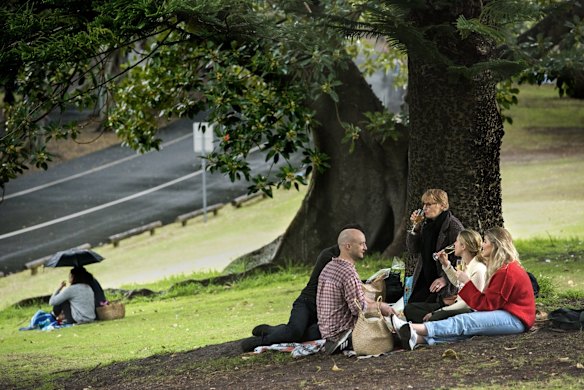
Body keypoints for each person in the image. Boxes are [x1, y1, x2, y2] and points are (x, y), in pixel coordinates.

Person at [392, 227, 536, 350]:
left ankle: (412, 328)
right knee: (470, 330)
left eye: (485, 242)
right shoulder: (503, 268)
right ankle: (417, 339)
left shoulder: (506, 271)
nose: (482, 246)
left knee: (466, 321)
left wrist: (467, 283)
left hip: (517, 319)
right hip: (511, 315)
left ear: (495, 245)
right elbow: (488, 303)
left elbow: (486, 306)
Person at [240, 224, 364, 352]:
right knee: (295, 332)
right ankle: (261, 341)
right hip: (307, 302)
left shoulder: (348, 262)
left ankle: (273, 330)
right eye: (360, 243)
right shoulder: (330, 257)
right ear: (348, 243)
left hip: (325, 312)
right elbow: (343, 284)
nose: (364, 247)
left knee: (314, 334)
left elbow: (350, 285)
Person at [317, 228, 395, 354]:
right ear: (348, 246)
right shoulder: (348, 273)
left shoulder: (329, 266)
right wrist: (381, 307)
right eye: (361, 244)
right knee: (392, 335)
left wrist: (377, 304)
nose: (365, 247)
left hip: (328, 333)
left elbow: (358, 298)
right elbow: (358, 309)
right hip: (343, 334)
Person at [403, 229, 487, 323]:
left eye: (457, 241)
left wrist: (439, 312)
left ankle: (424, 328)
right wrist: (446, 264)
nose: (454, 244)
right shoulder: (466, 264)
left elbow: (469, 304)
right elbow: (458, 282)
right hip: (456, 305)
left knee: (432, 318)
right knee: (410, 308)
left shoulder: (478, 269)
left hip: (465, 310)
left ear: (463, 246)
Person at [406, 188, 464, 304]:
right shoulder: (427, 224)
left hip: (443, 282)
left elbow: (461, 258)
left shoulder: (453, 226)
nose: (424, 208)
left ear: (442, 206)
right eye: (424, 204)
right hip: (424, 278)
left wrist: (445, 279)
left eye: (429, 204)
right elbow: (413, 249)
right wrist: (416, 227)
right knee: (412, 307)